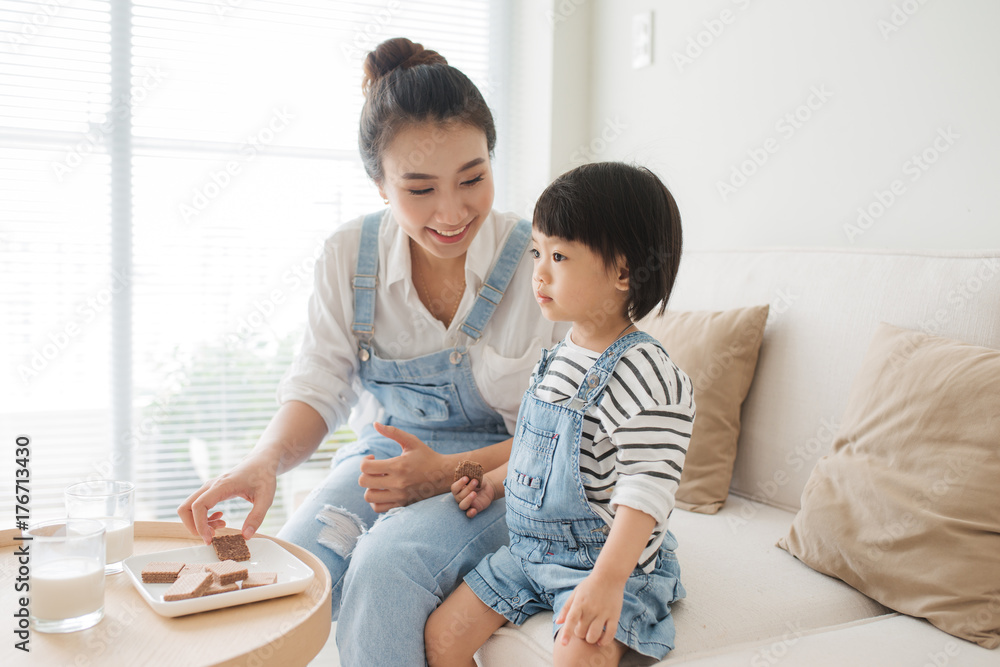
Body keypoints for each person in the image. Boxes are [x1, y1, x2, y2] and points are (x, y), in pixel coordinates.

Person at [177, 37, 567, 664]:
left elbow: (562, 435)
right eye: (419, 189)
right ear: (379, 185)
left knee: (386, 567)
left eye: (473, 178)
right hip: (387, 454)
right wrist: (265, 461)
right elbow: (318, 386)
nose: (451, 212)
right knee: (300, 564)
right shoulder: (347, 258)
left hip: (507, 473)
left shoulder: (543, 263)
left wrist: (442, 473)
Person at [424, 162, 695, 666]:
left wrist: (607, 583)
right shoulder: (559, 355)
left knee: (579, 655)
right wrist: (496, 483)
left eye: (560, 255)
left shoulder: (646, 371)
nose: (539, 273)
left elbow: (648, 488)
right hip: (530, 555)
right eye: (537, 253)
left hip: (606, 563)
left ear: (622, 272)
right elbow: (538, 458)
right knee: (442, 636)